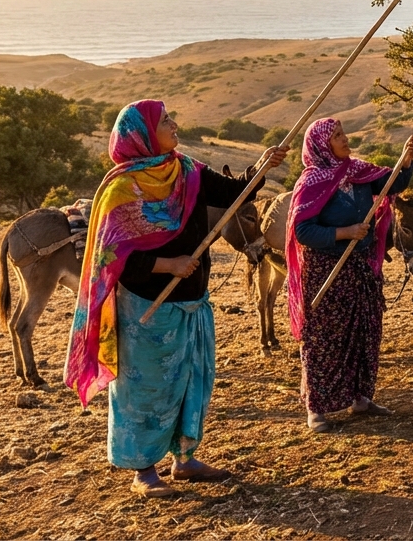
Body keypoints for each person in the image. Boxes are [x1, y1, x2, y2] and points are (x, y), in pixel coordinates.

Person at [64, 100, 288, 498]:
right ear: (143, 134)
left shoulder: (187, 170)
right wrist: (169, 264)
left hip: (193, 301)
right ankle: (144, 471)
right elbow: (113, 260)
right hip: (147, 309)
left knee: (190, 382)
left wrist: (263, 166)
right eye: (166, 120)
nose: (175, 124)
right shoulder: (121, 190)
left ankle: (184, 460)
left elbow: (236, 192)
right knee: (146, 390)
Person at [287, 118, 413, 433]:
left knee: (365, 331)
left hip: (361, 268)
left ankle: (361, 397)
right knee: (323, 339)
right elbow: (303, 230)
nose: (345, 139)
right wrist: (345, 232)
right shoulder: (311, 181)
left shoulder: (359, 172)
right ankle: (316, 409)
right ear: (321, 145)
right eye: (337, 136)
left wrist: (408, 158)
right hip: (326, 272)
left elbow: (394, 183)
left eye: (344, 133)